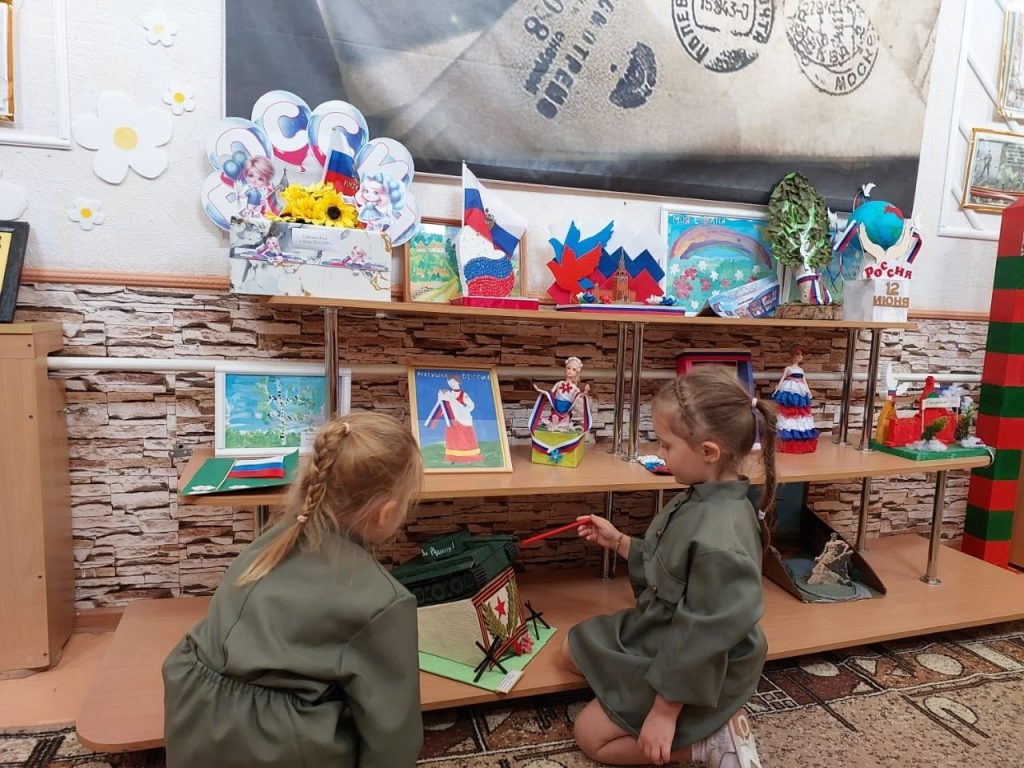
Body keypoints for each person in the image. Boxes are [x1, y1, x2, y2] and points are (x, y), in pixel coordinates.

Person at [162, 412, 425, 768]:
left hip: (191, 721)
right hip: (278, 747)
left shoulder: (269, 543)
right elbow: (393, 734)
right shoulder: (386, 602)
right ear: (385, 512)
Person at [561, 366, 776, 767]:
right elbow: (673, 567)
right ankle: (645, 697)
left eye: (666, 444)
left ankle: (712, 744)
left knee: (591, 736)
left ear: (708, 452)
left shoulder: (720, 538)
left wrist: (664, 711)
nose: (659, 453)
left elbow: (703, 635)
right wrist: (619, 541)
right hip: (665, 627)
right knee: (572, 650)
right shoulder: (702, 492)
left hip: (700, 657)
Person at [772, 344, 818, 453]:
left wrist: (809, 391)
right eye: (798, 354)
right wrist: (777, 390)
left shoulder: (801, 370)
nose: (800, 356)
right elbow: (782, 379)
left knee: (800, 412)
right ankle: (787, 439)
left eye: (801, 354)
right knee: (788, 411)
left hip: (800, 391)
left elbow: (804, 381)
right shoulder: (788, 368)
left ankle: (798, 437)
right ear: (793, 356)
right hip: (789, 389)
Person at [427, 373, 483, 463]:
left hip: (463, 421)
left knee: (465, 438)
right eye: (449, 382)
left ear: (458, 382)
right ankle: (453, 457)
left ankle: (468, 457)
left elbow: (471, 405)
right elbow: (444, 405)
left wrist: (463, 412)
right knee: (453, 438)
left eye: (453, 382)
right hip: (452, 420)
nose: (451, 384)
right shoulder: (448, 394)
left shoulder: (463, 394)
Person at [532, 356, 592, 432]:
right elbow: (550, 393)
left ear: (576, 373)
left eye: (574, 369)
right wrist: (539, 390)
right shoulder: (559, 383)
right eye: (568, 368)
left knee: (563, 424)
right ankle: (554, 427)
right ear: (565, 369)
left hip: (566, 410)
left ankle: (561, 427)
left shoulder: (574, 387)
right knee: (553, 421)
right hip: (556, 408)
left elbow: (580, 396)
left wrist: (585, 391)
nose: (570, 371)